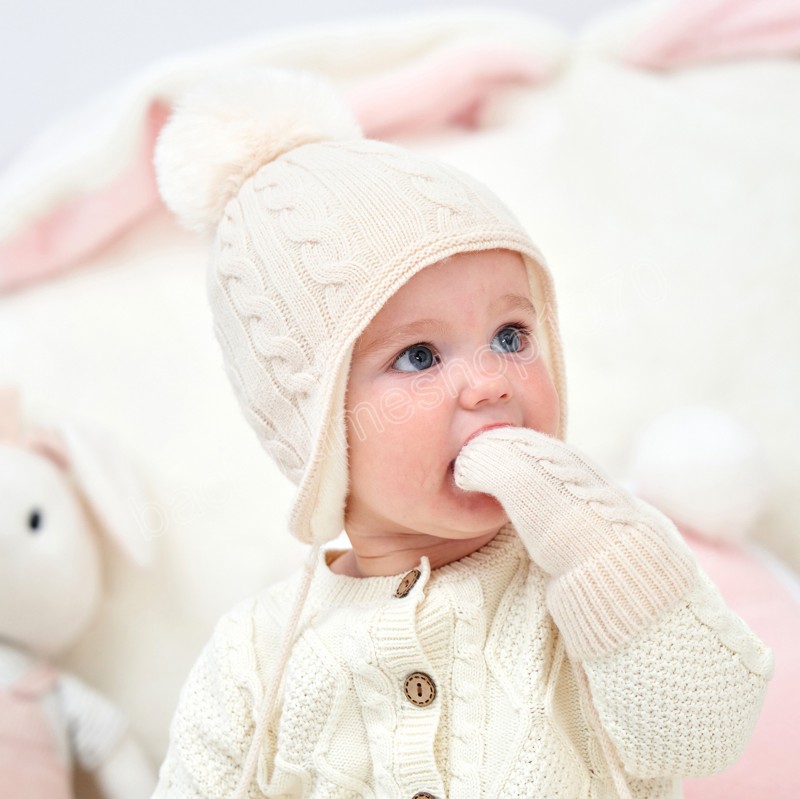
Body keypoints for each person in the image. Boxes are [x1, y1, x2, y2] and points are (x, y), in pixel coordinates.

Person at [152, 68, 772, 799]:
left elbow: (706, 732)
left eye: (512, 334)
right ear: (313, 426)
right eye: (419, 355)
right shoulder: (254, 657)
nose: (490, 382)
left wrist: (592, 534)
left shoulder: (592, 576)